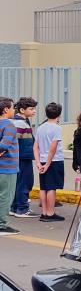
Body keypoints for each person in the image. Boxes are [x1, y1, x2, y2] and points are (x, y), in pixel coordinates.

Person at [34, 102, 65, 221]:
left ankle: (44, 212)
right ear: (59, 115)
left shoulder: (41, 127)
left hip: (41, 160)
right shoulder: (57, 128)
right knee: (52, 187)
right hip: (54, 161)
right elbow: (53, 148)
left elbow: (35, 146)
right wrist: (48, 164)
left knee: (44, 187)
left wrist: (38, 163)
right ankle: (50, 213)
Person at [10, 97, 37, 218]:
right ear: (22, 110)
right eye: (31, 109)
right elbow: (14, 141)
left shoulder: (20, 121)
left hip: (19, 157)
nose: (34, 111)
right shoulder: (20, 123)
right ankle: (22, 208)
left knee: (18, 183)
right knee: (25, 183)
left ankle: (15, 207)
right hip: (22, 157)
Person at [0, 98, 19, 235]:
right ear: (6, 109)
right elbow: (4, 145)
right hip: (7, 167)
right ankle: (1, 224)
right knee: (5, 196)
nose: (14, 110)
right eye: (13, 108)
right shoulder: (9, 126)